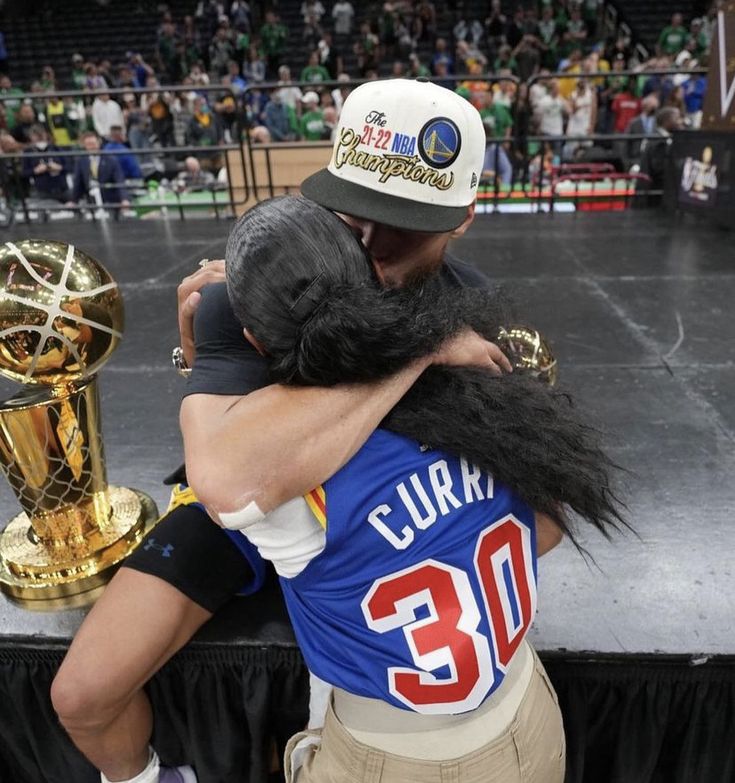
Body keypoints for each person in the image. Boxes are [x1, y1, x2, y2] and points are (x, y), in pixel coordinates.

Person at [51, 79, 512, 783]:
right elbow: (230, 480)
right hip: (249, 502)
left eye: (405, 223)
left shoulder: (472, 306)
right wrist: (421, 349)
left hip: (377, 516)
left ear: (464, 218)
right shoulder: (253, 286)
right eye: (353, 214)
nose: (374, 246)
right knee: (81, 694)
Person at [211, 193, 624, 783]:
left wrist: (204, 355)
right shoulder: (478, 383)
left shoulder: (277, 481)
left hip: (397, 753)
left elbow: (224, 467)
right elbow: (549, 529)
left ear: (254, 341)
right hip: (527, 706)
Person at [68, 130, 130, 210]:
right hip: (91, 201)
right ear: (84, 145)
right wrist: (73, 201)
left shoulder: (111, 159)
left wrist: (124, 199)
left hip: (111, 199)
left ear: (99, 143)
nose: (92, 147)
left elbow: (119, 180)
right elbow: (78, 183)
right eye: (89, 145)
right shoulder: (81, 161)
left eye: (93, 144)